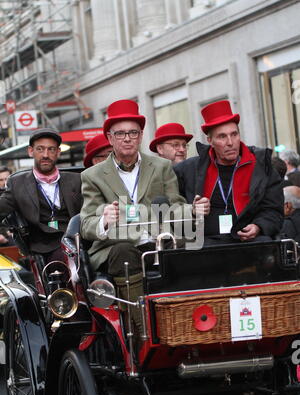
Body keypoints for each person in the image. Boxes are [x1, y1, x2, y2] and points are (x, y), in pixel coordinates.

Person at [80, 100, 193, 333]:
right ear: (110, 139)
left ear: (141, 136)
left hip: (158, 242)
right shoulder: (92, 176)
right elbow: (86, 224)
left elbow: (176, 206)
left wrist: (194, 210)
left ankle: (187, 323)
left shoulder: (161, 166)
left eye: (133, 132)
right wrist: (105, 220)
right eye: (120, 133)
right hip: (117, 248)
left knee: (192, 248)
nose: (127, 138)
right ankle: (144, 330)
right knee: (124, 252)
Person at [174, 99, 284, 245]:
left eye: (234, 134)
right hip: (205, 243)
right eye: (222, 136)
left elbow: (274, 210)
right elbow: (170, 210)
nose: (230, 142)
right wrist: (192, 211)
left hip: (250, 241)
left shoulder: (261, 166)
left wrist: (259, 226)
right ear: (210, 140)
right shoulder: (187, 170)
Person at [0, 128, 82, 264]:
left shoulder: (77, 180)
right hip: (43, 249)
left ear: (58, 152)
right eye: (40, 149)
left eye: (51, 149)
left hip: (77, 242)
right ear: (30, 151)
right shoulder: (17, 183)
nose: (45, 154)